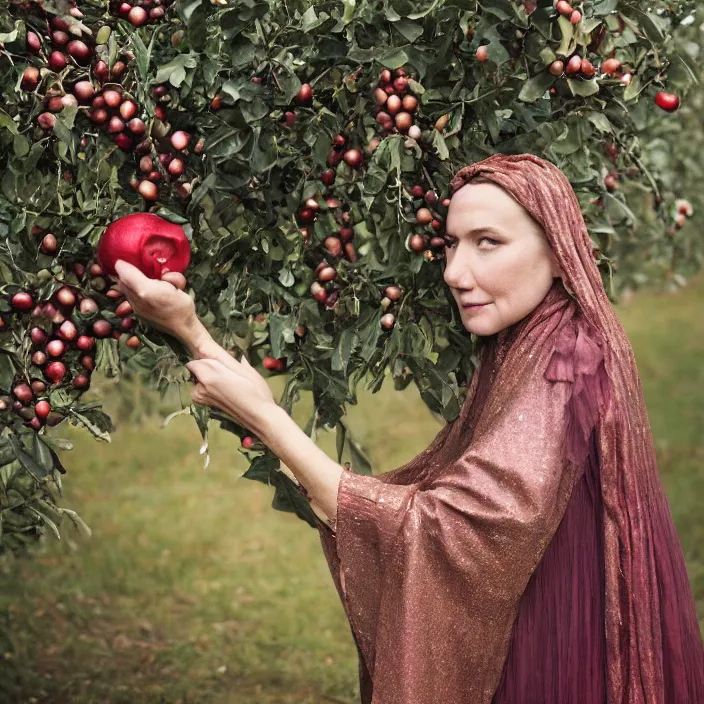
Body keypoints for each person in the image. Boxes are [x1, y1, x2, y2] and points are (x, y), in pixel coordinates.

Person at [114, 153, 704, 704]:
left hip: (552, 643)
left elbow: (443, 529)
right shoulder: (532, 339)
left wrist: (266, 416)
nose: (454, 271)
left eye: (488, 244)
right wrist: (191, 330)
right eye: (451, 245)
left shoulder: (567, 363)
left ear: (558, 251)